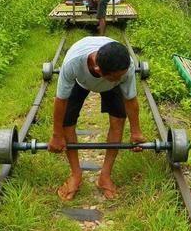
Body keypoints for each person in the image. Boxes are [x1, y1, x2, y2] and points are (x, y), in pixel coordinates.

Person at [48, 37, 146, 201]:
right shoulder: (73, 64)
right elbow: (61, 100)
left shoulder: (124, 67)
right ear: (98, 69)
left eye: (122, 76)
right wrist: (57, 135)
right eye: (116, 77)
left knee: (118, 119)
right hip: (80, 82)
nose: (120, 79)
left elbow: (130, 100)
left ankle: (105, 177)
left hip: (109, 85)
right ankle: (76, 175)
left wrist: (136, 132)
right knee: (67, 122)